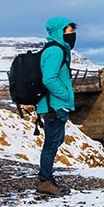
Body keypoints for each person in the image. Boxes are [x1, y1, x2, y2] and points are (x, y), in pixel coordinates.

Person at [36, 16, 77, 196]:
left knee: (55, 141)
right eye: (69, 30)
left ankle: (46, 178)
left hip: (56, 105)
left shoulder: (57, 49)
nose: (73, 34)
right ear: (60, 32)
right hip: (54, 106)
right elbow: (49, 79)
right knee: (51, 144)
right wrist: (65, 95)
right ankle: (45, 181)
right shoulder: (56, 51)